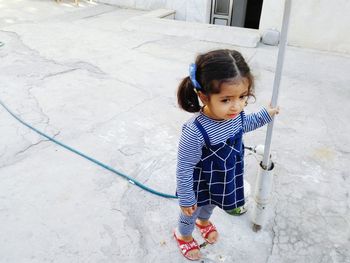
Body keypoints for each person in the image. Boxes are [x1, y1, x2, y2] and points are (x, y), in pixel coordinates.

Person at [173, 49, 279, 261]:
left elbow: (246, 123)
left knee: (212, 204)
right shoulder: (195, 131)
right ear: (203, 96)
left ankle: (203, 223)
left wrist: (266, 115)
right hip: (200, 183)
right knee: (191, 211)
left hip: (223, 178)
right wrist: (186, 198)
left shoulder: (236, 116)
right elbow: (184, 167)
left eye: (243, 97)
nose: (237, 106)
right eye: (226, 100)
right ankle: (183, 235)